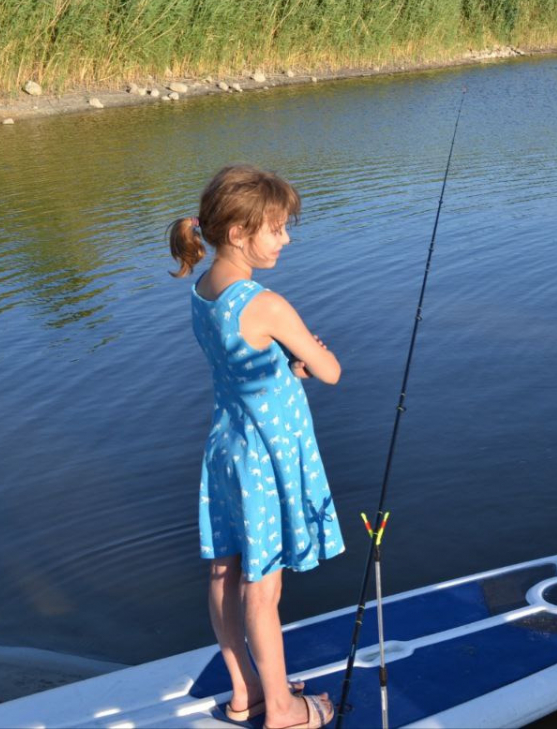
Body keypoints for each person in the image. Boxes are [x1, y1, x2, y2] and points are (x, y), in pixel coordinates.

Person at [169, 164, 344, 729]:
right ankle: (285, 711)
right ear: (240, 233)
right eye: (276, 228)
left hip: (227, 446)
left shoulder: (204, 288)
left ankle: (245, 691)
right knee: (262, 590)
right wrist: (308, 360)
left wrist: (285, 368)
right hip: (269, 453)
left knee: (225, 573)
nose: (286, 238)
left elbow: (247, 368)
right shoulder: (264, 302)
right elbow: (332, 370)